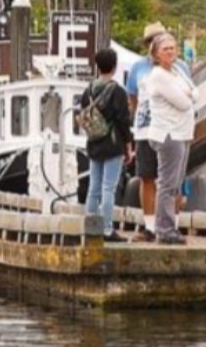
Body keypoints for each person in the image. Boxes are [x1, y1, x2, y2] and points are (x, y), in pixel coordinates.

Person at [143, 33, 196, 246]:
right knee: (167, 183)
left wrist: (188, 93)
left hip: (182, 132)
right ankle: (164, 229)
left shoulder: (177, 71)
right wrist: (188, 94)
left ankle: (168, 225)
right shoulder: (158, 75)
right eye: (165, 49)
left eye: (173, 48)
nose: (171, 52)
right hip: (169, 134)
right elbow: (184, 102)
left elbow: (194, 92)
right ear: (155, 54)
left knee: (175, 183)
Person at [81, 47, 132, 240]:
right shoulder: (117, 91)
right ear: (115, 66)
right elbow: (123, 120)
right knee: (108, 188)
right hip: (113, 143)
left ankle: (90, 226)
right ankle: (107, 229)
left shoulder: (88, 90)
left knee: (93, 187)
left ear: (97, 65)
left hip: (94, 143)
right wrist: (128, 144)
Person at [125, 21, 169, 234]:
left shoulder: (176, 66)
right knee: (146, 177)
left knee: (169, 179)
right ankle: (150, 224)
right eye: (151, 40)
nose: (155, 43)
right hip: (144, 130)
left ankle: (169, 224)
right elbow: (131, 95)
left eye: (159, 39)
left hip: (169, 129)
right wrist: (137, 118)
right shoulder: (137, 67)